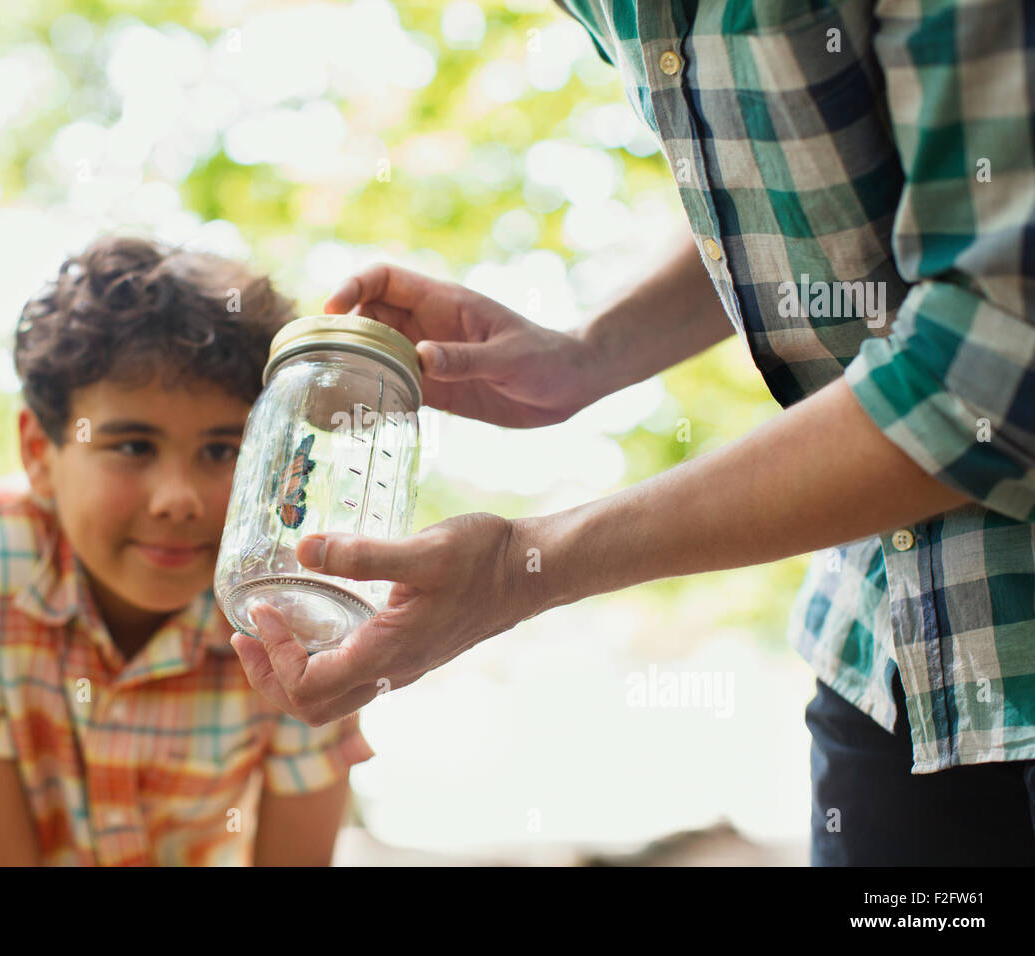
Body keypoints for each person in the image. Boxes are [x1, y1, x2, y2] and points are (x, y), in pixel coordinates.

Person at [231, 0, 1035, 865]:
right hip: (888, 642)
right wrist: (586, 355)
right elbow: (807, 182)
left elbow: (992, 357)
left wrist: (523, 569)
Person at [0, 235, 373, 866]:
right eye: (133, 446)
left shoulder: (298, 614)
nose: (177, 499)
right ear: (37, 452)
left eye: (222, 451)